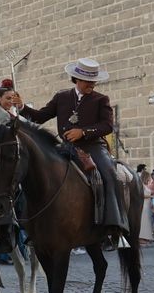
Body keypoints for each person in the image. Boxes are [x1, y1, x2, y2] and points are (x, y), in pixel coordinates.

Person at [26, 58, 130, 242]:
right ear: (77, 80)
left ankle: (114, 226)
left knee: (109, 174)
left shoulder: (101, 99)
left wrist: (83, 132)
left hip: (93, 147)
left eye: (94, 81)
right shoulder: (62, 97)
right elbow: (40, 117)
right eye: (88, 81)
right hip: (65, 148)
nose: (92, 84)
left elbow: (107, 126)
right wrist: (21, 107)